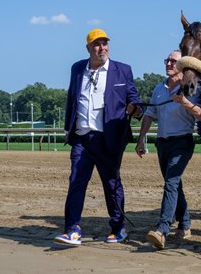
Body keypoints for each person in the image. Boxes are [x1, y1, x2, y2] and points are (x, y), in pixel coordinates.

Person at [54, 29, 142, 246]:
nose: (101, 48)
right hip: (81, 139)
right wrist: (69, 128)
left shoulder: (122, 70)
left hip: (108, 139)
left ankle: (118, 228)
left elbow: (135, 99)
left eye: (104, 44)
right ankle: (72, 229)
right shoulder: (77, 69)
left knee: (111, 184)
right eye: (96, 44)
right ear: (88, 48)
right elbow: (71, 100)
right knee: (76, 182)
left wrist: (135, 108)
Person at [136, 50, 201, 250]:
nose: (168, 63)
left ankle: (162, 229)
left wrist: (185, 102)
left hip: (182, 142)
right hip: (162, 143)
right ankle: (185, 224)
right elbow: (149, 115)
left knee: (171, 183)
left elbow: (200, 113)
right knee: (173, 184)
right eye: (167, 60)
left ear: (182, 66)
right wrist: (141, 140)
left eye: (173, 61)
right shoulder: (159, 88)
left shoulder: (192, 88)